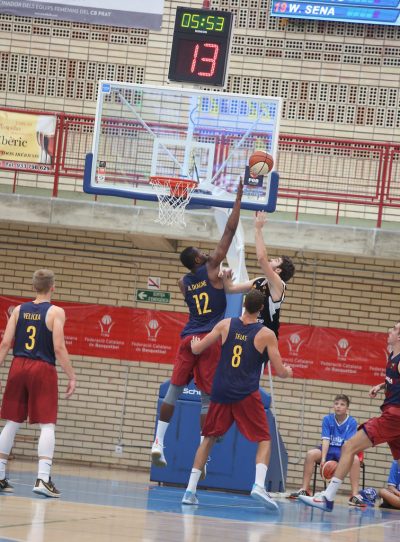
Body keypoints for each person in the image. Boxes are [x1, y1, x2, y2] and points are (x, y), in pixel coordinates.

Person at [151, 181, 244, 468]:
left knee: (174, 391)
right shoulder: (212, 268)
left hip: (187, 337)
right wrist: (239, 198)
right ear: (196, 259)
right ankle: (204, 455)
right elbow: (228, 232)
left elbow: (198, 287)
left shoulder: (183, 282)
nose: (205, 252)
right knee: (206, 398)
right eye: (200, 252)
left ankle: (158, 442)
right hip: (208, 340)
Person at [181, 289, 293, 510]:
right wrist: (288, 371)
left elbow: (198, 348)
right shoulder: (266, 334)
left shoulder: (225, 325)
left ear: (244, 304)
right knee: (264, 438)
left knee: (208, 438)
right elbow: (279, 371)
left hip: (221, 391)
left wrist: (193, 345)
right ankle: (259, 485)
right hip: (245, 393)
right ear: (261, 309)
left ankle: (190, 490)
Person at [299, 322, 400, 512]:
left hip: (394, 417)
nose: (390, 331)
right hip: (394, 418)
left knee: (349, 446)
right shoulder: (392, 356)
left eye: (394, 329)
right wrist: (381, 386)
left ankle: (328, 497)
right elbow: (394, 382)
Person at [0, 269, 76, 497]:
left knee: (12, 421)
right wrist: (72, 375)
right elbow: (59, 347)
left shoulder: (19, 310)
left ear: (34, 286)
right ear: (53, 287)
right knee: (47, 424)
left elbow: (5, 343)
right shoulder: (56, 312)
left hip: (18, 365)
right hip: (42, 367)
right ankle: (43, 478)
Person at [223, 211, 295, 338]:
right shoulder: (260, 281)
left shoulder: (279, 285)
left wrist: (257, 228)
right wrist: (224, 277)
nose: (271, 259)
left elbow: (262, 258)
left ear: (278, 270)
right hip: (248, 334)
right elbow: (230, 289)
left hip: (265, 338)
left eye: (276, 261)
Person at [288, 394, 363, 506]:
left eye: (342, 404)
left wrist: (341, 463)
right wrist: (323, 459)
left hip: (342, 450)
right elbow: (326, 440)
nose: (338, 406)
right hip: (328, 449)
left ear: (347, 408)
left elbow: (347, 445)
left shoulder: (351, 422)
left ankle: (354, 495)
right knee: (310, 454)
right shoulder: (327, 419)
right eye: (336, 404)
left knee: (355, 460)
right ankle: (304, 489)